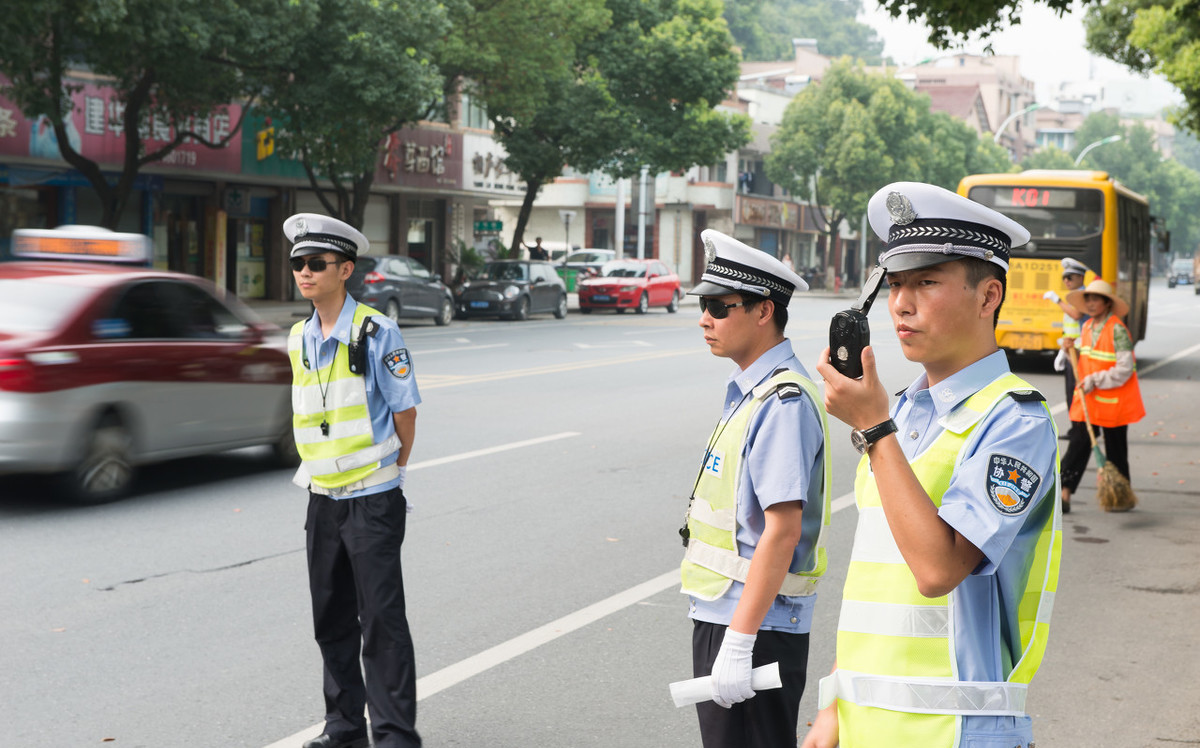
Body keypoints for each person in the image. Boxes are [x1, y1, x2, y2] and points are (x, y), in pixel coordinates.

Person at [805, 182, 1062, 748]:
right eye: (895, 284)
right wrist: (833, 703)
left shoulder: (1014, 420)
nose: (901, 303)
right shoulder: (899, 411)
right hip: (865, 724)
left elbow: (936, 571)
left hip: (957, 729)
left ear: (988, 295)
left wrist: (873, 429)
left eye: (926, 282)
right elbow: (879, 580)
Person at [680, 229, 831, 748]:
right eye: (704, 305)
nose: (705, 318)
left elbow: (782, 531)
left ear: (764, 311)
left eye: (720, 307)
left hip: (755, 624)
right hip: (736, 615)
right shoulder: (753, 392)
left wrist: (740, 642)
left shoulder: (781, 402)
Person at [283, 213, 422, 748]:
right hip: (322, 500)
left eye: (316, 264)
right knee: (331, 619)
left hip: (372, 499)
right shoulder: (297, 337)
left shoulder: (375, 330)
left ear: (345, 269)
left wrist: (394, 472)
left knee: (382, 624)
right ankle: (343, 726)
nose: (305, 272)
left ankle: (393, 736)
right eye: (298, 263)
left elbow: (405, 413)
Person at [1060, 278, 1145, 509]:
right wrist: (1069, 351)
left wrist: (1095, 380)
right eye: (1087, 298)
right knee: (1078, 443)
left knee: (1116, 448)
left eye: (1095, 299)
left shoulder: (1118, 329)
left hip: (1113, 400)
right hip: (1089, 400)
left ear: (1107, 303)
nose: (1090, 303)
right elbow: (1084, 360)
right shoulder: (1087, 327)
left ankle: (1120, 495)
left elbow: (1125, 368)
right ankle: (1064, 493)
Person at [1045, 257, 1090, 510]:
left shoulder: (1082, 299)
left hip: (1086, 363)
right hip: (1075, 357)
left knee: (1084, 431)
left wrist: (1056, 299)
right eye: (1065, 278)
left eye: (1070, 278)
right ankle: (1064, 490)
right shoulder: (1076, 297)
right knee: (1080, 428)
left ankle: (1063, 488)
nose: (1066, 282)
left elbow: (1076, 314)